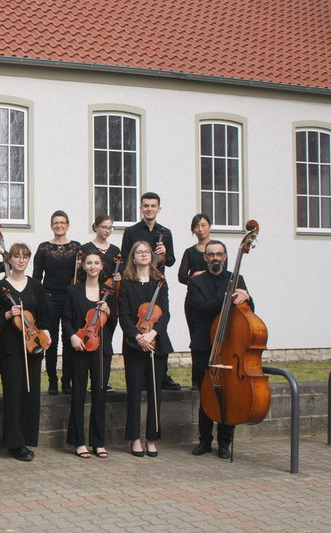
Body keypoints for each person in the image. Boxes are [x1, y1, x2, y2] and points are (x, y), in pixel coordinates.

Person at [0, 243, 51, 461]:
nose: (21, 260)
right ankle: (14, 444)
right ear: (9, 260)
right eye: (17, 256)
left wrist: (46, 333)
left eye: (25, 257)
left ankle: (27, 438)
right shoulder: (0, 286)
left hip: (33, 346)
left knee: (31, 394)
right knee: (13, 395)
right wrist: (7, 315)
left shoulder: (35, 285)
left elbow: (44, 314)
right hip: (11, 349)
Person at [188, 240, 251, 459]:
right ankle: (205, 440)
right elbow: (201, 309)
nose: (215, 258)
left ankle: (225, 443)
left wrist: (247, 298)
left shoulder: (237, 279)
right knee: (207, 393)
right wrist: (226, 298)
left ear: (225, 257)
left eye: (219, 254)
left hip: (229, 345)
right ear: (205, 258)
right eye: (211, 254)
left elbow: (247, 312)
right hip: (205, 345)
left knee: (229, 393)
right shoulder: (196, 282)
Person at [120, 192, 180, 391]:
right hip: (135, 284)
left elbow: (170, 261)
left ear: (158, 208)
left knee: (157, 324)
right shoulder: (131, 231)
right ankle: (139, 370)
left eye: (153, 206)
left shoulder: (166, 232)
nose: (149, 209)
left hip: (156, 284)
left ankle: (159, 375)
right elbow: (126, 259)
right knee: (135, 321)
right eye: (146, 205)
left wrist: (164, 253)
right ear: (141, 208)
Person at [118, 241, 173, 458]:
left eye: (146, 252)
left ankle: (152, 438)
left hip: (157, 343)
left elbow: (166, 313)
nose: (143, 255)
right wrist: (139, 337)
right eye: (139, 252)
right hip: (134, 344)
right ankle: (134, 438)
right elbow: (123, 314)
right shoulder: (126, 283)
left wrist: (153, 333)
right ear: (133, 257)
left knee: (154, 392)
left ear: (152, 256)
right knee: (133, 393)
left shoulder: (160, 282)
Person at [65, 251, 115, 459]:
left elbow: (114, 322)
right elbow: (66, 319)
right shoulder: (73, 290)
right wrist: (72, 338)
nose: (93, 266)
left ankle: (98, 442)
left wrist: (109, 312)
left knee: (99, 393)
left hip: (101, 348)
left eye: (96, 263)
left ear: (101, 266)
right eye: (89, 263)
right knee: (78, 393)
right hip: (80, 346)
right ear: (83, 266)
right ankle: (78, 441)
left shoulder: (109, 292)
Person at [32, 210, 81, 395]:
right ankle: (52, 381)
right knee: (50, 341)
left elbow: (82, 276)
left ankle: (66, 381)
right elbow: (37, 278)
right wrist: (37, 301)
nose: (59, 225)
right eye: (55, 222)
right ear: (51, 226)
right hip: (49, 299)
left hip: (69, 299)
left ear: (67, 225)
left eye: (62, 222)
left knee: (69, 340)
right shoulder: (44, 248)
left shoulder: (77, 248)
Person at [80, 214, 122, 391]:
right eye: (103, 227)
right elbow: (81, 274)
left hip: (109, 296)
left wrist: (119, 277)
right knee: (89, 333)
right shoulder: (86, 248)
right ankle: (88, 377)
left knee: (106, 338)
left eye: (109, 227)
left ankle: (103, 378)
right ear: (95, 227)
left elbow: (121, 274)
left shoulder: (115, 250)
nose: (107, 230)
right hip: (90, 294)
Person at [178, 214, 213, 390]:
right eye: (197, 226)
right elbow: (181, 276)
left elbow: (221, 272)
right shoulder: (190, 252)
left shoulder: (217, 249)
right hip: (193, 302)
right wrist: (195, 276)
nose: (200, 229)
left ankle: (213, 375)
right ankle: (196, 378)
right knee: (196, 339)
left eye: (204, 225)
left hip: (212, 300)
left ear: (210, 226)